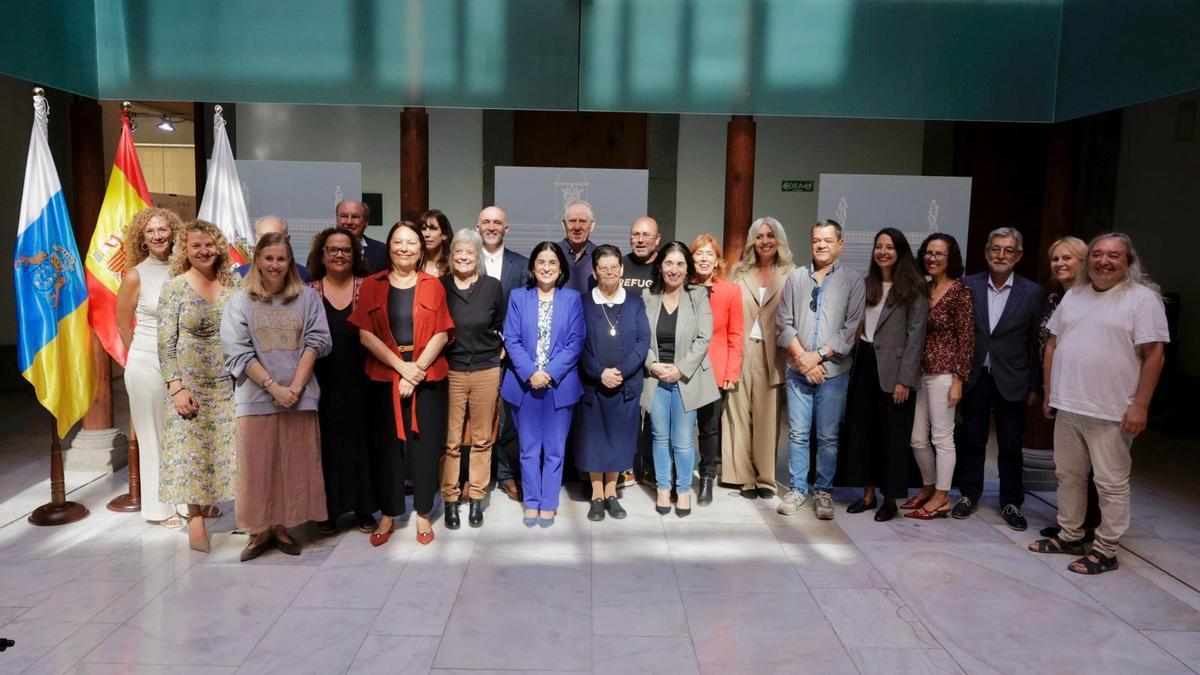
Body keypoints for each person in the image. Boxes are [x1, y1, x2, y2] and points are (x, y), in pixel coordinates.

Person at [1030, 233, 1168, 574]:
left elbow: (1155, 356)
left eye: (1114, 256)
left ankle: (1107, 549)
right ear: (1089, 259)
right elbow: (1052, 345)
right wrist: (1050, 391)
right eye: (1098, 255)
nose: (1104, 261)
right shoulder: (1074, 295)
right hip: (1069, 405)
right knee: (1069, 476)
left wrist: (1140, 405)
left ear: (1128, 262)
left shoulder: (1142, 299)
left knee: (1110, 482)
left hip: (1112, 411)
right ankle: (1070, 534)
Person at [222, 232, 332, 561]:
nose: (275, 265)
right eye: (268, 258)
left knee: (294, 465)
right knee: (256, 468)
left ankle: (283, 527)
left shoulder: (308, 298)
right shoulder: (239, 300)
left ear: (290, 262)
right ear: (257, 260)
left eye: (281, 258)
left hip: (300, 396)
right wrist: (274, 388)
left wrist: (295, 389)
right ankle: (259, 531)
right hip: (255, 399)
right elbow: (237, 352)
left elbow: (317, 341)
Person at [349, 221, 453, 546]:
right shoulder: (371, 285)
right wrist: (401, 369)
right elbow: (365, 334)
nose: (404, 248)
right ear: (389, 247)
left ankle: (423, 513)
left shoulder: (433, 284)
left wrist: (417, 370)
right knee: (387, 450)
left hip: (428, 377)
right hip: (383, 376)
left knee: (425, 447)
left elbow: (443, 331)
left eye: (411, 242)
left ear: (421, 250)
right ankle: (390, 514)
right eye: (398, 242)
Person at [157, 219, 238, 553]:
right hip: (190, 383)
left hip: (228, 383)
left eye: (209, 244)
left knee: (226, 451)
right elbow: (165, 344)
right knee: (190, 454)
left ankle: (230, 510)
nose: (204, 251)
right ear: (185, 251)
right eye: (196, 246)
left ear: (218, 247)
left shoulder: (234, 285)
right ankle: (195, 521)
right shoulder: (174, 288)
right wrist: (176, 387)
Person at [956, 228, 1045, 530]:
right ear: (986, 252)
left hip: (1013, 380)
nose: (1001, 255)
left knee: (1010, 445)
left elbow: (1038, 343)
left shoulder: (1032, 293)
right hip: (974, 376)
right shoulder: (967, 286)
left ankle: (1011, 502)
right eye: (996, 249)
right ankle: (969, 494)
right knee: (972, 440)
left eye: (1008, 250)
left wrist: (1035, 385)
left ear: (1018, 256)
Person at [776, 219, 865, 520]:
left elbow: (851, 329)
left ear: (840, 244)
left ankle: (823, 492)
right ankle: (798, 489)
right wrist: (803, 359)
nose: (821, 245)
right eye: (816, 240)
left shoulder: (853, 280)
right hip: (798, 369)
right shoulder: (796, 278)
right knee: (798, 434)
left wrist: (818, 357)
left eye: (828, 240)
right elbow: (784, 323)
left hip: (833, 372)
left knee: (827, 437)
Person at [840, 228, 928, 522]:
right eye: (879, 246)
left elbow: (916, 336)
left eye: (890, 247)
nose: (883, 252)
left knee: (892, 437)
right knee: (863, 432)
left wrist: (905, 379)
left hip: (895, 370)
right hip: (864, 363)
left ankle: (889, 499)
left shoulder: (914, 288)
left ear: (901, 251)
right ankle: (867, 495)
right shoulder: (866, 284)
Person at [502, 242, 586, 528]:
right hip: (524, 386)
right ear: (532, 267)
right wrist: (530, 373)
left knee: (554, 449)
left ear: (560, 268)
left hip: (558, 386)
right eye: (541, 262)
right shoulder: (518, 297)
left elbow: (576, 342)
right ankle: (531, 502)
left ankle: (549, 503)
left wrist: (548, 373)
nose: (546, 267)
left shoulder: (572, 299)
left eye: (552, 262)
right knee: (528, 448)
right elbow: (511, 339)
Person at [306, 227, 377, 535]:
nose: (339, 255)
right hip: (322, 382)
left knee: (363, 444)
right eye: (332, 249)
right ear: (322, 255)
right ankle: (329, 510)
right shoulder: (308, 292)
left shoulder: (368, 287)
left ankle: (363, 507)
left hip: (364, 381)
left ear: (355, 255)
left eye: (345, 250)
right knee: (327, 446)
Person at [116, 207, 184, 527]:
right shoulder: (135, 275)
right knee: (152, 435)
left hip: (183, 363)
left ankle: (185, 502)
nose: (157, 236)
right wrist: (142, 356)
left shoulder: (186, 269)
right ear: (142, 238)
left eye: (162, 229)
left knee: (182, 434)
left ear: (173, 231)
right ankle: (160, 509)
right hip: (146, 361)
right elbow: (122, 324)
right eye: (150, 231)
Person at [643, 242, 719, 518]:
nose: (673, 270)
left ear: (687, 269)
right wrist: (653, 365)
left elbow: (704, 338)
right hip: (656, 378)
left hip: (686, 379)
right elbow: (640, 337)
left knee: (684, 439)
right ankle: (664, 488)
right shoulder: (647, 296)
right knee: (659, 436)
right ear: (660, 266)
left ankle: (683, 489)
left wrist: (680, 369)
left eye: (680, 264)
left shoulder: (698, 295)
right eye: (668, 263)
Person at [722, 217, 795, 500]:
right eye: (760, 236)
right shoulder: (738, 273)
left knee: (768, 416)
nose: (765, 241)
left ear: (779, 240)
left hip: (773, 351)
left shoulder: (791, 273)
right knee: (738, 412)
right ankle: (743, 477)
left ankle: (765, 478)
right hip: (741, 348)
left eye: (771, 236)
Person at [1035, 236, 1102, 540]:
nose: (1060, 264)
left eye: (1068, 258)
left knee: (1094, 467)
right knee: (1070, 466)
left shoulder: (1095, 297)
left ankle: (1092, 527)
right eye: (1055, 259)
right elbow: (1049, 347)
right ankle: (1071, 524)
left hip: (1090, 393)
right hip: (1061, 389)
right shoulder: (1055, 299)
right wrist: (1048, 390)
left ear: (1083, 261)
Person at [577, 244, 650, 521]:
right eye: (603, 267)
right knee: (594, 440)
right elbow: (577, 344)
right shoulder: (583, 302)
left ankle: (612, 491)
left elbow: (643, 340)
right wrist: (599, 372)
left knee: (620, 440)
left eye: (614, 267)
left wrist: (619, 371)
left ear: (621, 270)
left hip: (625, 385)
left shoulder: (634, 301)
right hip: (593, 385)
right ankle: (596, 493)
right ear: (595, 272)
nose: (609, 272)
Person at [906, 234, 974, 519]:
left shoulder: (960, 292)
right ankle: (929, 487)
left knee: (942, 439)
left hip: (945, 376)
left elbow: (967, 339)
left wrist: (959, 379)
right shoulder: (922, 288)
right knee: (917, 439)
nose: (932, 258)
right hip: (919, 374)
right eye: (928, 253)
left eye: (939, 254)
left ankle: (943, 497)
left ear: (950, 259)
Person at [440, 229, 505, 529]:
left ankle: (476, 496)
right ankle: (451, 499)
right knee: (451, 441)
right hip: (450, 370)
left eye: (469, 253)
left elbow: (500, 323)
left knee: (481, 439)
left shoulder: (492, 286)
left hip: (485, 370)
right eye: (458, 253)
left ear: (478, 257)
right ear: (451, 257)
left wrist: (499, 349)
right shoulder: (440, 286)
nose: (464, 257)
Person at [476, 205, 528, 501]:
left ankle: (506, 473)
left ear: (506, 229)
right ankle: (476, 478)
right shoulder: (465, 260)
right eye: (486, 222)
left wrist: (507, 346)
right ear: (478, 226)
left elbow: (521, 312)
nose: (492, 226)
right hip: (473, 354)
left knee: (508, 417)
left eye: (498, 222)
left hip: (509, 355)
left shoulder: (520, 265)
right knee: (477, 418)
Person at [690, 234, 744, 505]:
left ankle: (707, 478)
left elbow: (736, 334)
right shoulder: (682, 286)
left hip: (716, 371)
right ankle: (680, 477)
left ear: (718, 260)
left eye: (709, 254)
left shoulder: (730, 291)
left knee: (709, 429)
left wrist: (731, 373)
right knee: (683, 426)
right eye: (698, 253)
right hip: (685, 369)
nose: (703, 259)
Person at [235, 216, 309, 281]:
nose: (269, 243)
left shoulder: (305, 276)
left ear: (288, 239)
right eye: (263, 237)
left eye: (275, 237)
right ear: (256, 239)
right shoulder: (240, 275)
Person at [557, 201, 598, 294]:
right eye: (572, 221)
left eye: (583, 221)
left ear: (592, 225)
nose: (577, 227)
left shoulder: (600, 256)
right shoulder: (552, 254)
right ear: (563, 224)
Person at [337, 199, 388, 273]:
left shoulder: (382, 251)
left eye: (355, 217)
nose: (349, 222)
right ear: (337, 220)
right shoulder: (323, 250)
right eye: (344, 216)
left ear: (366, 222)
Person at [621, 216, 660, 292]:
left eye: (646, 235)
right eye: (636, 234)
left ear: (657, 239)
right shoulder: (618, 265)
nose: (640, 240)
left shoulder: (665, 267)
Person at [420, 209, 453, 277]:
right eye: (423, 229)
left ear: (444, 235)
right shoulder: (415, 263)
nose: (427, 234)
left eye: (433, 229)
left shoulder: (453, 264)